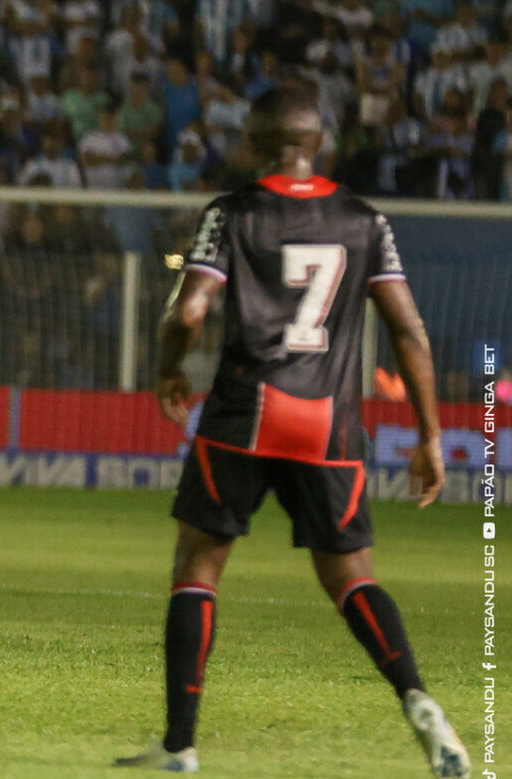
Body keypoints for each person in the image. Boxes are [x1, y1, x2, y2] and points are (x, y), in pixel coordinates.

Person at [116, 86, 469, 776]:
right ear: (319, 142)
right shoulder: (365, 220)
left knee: (198, 565)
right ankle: (420, 701)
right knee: (350, 577)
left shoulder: (233, 212)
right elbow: (408, 328)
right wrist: (430, 434)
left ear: (251, 142)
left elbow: (190, 310)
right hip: (329, 428)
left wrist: (166, 368)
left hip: (242, 416)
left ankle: (180, 746)